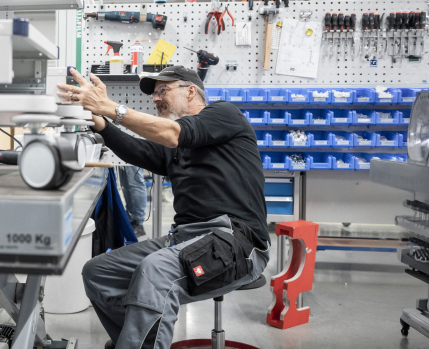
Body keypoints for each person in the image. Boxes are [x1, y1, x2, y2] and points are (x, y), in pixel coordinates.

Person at [56, 66, 269, 349]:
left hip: (236, 242)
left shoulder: (224, 114)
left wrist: (110, 107)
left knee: (155, 271)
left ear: (191, 90)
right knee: (98, 272)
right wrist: (101, 123)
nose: (156, 98)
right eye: (154, 93)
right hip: (185, 239)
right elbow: (139, 151)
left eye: (162, 90)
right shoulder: (176, 146)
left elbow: (172, 134)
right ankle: (134, 341)